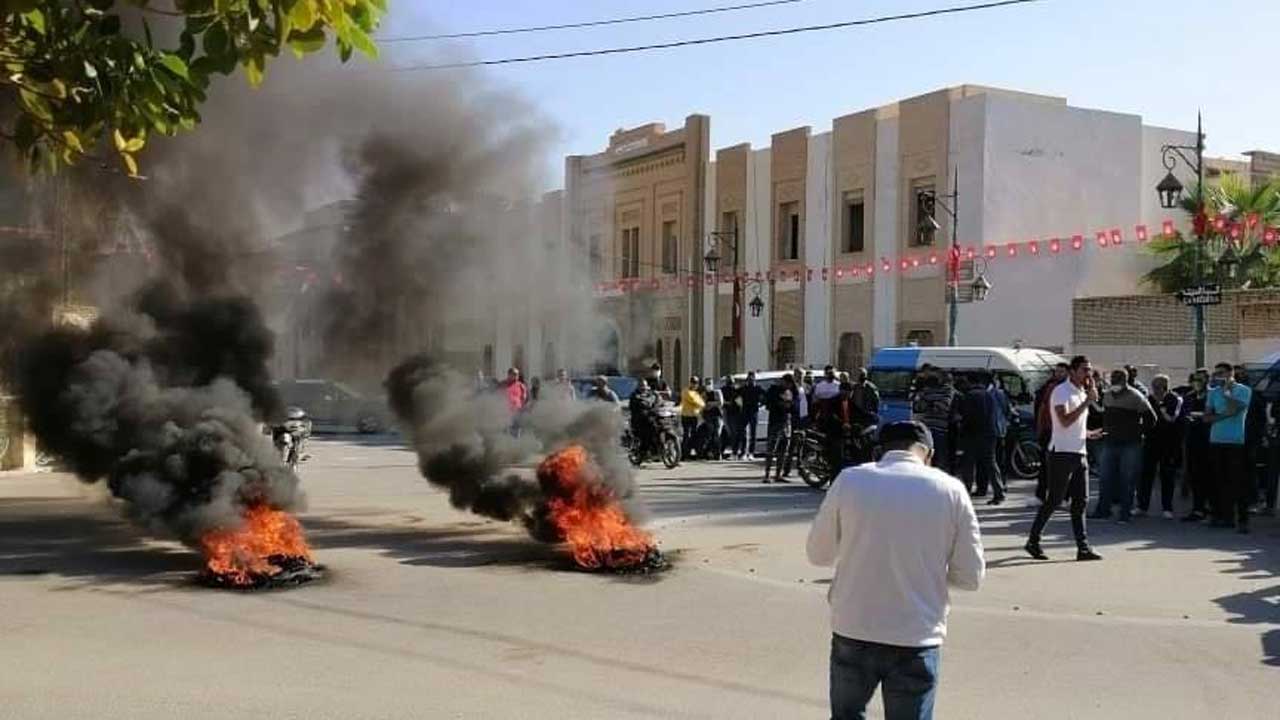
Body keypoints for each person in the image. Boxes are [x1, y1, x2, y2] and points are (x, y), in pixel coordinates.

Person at [807, 421, 984, 720]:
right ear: (928, 453)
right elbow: (970, 577)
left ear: (880, 451)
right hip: (917, 633)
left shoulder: (850, 480)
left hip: (854, 626)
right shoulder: (950, 489)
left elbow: (818, 554)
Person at [1026, 355, 1104, 562]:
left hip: (1079, 452)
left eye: (1089, 370)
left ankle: (1083, 548)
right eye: (1084, 370)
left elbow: (1074, 426)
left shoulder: (1080, 392)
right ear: (1073, 371)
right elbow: (1064, 420)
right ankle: (1033, 540)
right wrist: (1087, 401)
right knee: (1055, 500)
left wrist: (1087, 433)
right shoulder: (1061, 392)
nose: (1088, 374)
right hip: (1061, 453)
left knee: (1081, 501)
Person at [1091, 369, 1156, 523]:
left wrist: (1137, 432)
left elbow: (1151, 418)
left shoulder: (1135, 396)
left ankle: (1125, 513)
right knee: (1105, 478)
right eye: (1113, 377)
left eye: (1118, 378)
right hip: (1110, 442)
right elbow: (1105, 415)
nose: (1114, 380)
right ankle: (1103, 510)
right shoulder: (1107, 395)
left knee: (1128, 479)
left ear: (1125, 380)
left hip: (1131, 444)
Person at [1204, 362, 1252, 533]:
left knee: (1237, 482)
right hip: (1216, 440)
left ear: (1230, 374)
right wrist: (1224, 414)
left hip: (1235, 441)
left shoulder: (1244, 390)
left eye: (1221, 373)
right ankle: (1223, 516)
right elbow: (1207, 417)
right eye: (1216, 373)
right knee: (1218, 480)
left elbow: (1237, 407)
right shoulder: (1212, 393)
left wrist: (1226, 393)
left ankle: (1243, 519)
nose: (1218, 376)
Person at [955, 371, 1005, 504]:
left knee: (969, 464)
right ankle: (998, 492)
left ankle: (966, 492)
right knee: (991, 464)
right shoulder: (989, 395)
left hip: (973, 434)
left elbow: (967, 416)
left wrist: (961, 427)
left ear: (970, 382)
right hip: (990, 433)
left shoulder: (969, 395)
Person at [1137, 374, 1182, 518]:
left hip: (1169, 442)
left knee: (1167, 474)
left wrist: (1162, 410)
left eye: (1159, 386)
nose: (1155, 389)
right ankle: (1142, 506)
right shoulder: (1148, 399)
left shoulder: (1173, 399)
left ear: (1165, 386)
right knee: (1146, 474)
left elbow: (1173, 418)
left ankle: (1167, 508)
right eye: (1154, 386)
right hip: (1150, 441)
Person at [1179, 369, 1212, 522]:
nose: (1198, 382)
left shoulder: (1212, 395)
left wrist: (1201, 416)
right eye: (1195, 379)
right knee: (1194, 474)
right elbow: (1184, 414)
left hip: (1209, 440)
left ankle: (1211, 507)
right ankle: (1198, 508)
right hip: (1192, 439)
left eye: (1201, 379)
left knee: (1210, 475)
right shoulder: (1189, 396)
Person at [1033, 363, 1070, 501]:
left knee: (1063, 467)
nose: (1058, 374)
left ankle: (1064, 496)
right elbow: (1042, 409)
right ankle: (1042, 495)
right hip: (1050, 432)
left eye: (1062, 372)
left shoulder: (1071, 388)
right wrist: (1040, 429)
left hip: (1064, 432)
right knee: (1046, 465)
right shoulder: (1050, 387)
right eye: (1057, 372)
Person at [912, 368, 956, 474]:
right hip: (927, 428)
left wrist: (929, 404)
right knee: (926, 456)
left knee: (940, 457)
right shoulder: (926, 391)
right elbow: (917, 407)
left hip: (940, 428)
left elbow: (943, 407)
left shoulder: (947, 390)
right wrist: (933, 404)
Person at [764, 375, 799, 483]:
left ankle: (778, 474)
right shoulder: (773, 390)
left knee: (783, 449)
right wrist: (780, 404)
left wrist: (790, 405)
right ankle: (767, 475)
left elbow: (795, 406)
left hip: (786, 422)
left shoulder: (792, 391)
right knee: (771, 448)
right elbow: (768, 404)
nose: (788, 386)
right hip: (775, 421)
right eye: (787, 383)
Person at [736, 371, 764, 461]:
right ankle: (743, 452)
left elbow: (765, 397)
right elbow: (736, 396)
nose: (751, 380)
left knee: (753, 433)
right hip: (745, 411)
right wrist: (739, 404)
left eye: (752, 378)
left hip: (754, 411)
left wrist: (760, 404)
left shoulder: (758, 388)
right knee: (743, 432)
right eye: (749, 378)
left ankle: (751, 453)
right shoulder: (744, 388)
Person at [628, 378, 659, 454]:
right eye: (642, 386)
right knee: (646, 434)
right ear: (638, 387)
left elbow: (657, 400)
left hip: (648, 417)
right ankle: (644, 451)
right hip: (638, 420)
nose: (644, 388)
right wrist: (650, 401)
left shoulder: (650, 394)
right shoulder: (634, 395)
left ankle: (656, 449)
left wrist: (656, 401)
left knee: (656, 426)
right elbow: (643, 403)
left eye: (645, 386)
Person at [679, 376, 705, 459]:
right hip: (686, 416)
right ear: (690, 383)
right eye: (693, 383)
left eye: (696, 383)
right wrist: (701, 402)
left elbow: (701, 402)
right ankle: (684, 454)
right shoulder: (686, 391)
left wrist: (701, 402)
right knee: (686, 435)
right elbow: (697, 402)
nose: (694, 385)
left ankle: (690, 452)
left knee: (693, 435)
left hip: (694, 417)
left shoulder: (695, 393)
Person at [701, 378, 726, 460]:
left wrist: (710, 404)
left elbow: (720, 402)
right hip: (708, 416)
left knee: (717, 434)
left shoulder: (717, 392)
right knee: (710, 434)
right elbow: (702, 405)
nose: (708, 385)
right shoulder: (704, 394)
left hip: (717, 416)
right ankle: (710, 453)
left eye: (710, 383)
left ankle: (718, 453)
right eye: (707, 383)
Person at [501, 367, 529, 435]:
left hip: (517, 412)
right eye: (514, 374)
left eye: (517, 374)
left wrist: (522, 408)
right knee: (505, 432)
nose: (517, 376)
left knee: (516, 432)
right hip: (505, 412)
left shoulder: (521, 385)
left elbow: (525, 398)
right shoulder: (503, 384)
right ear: (509, 374)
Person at [721, 375, 741, 460]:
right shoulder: (724, 390)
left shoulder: (736, 390)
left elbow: (739, 402)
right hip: (728, 412)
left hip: (733, 413)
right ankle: (732, 451)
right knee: (730, 433)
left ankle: (735, 452)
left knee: (733, 433)